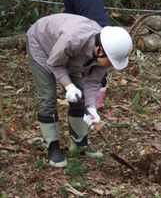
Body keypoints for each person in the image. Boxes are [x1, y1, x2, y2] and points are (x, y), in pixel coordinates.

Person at [26, 13, 133, 168]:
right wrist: (68, 85)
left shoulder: (104, 52)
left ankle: (79, 143)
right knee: (48, 96)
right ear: (99, 49)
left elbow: (93, 81)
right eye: (110, 60)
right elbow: (55, 64)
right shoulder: (73, 39)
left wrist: (91, 107)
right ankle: (53, 148)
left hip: (69, 56)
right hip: (42, 43)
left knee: (80, 94)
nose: (110, 64)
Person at [64, 0, 110, 108]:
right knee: (101, 64)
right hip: (104, 30)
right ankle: (99, 97)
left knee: (88, 62)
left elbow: (70, 19)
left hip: (87, 32)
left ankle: (90, 96)